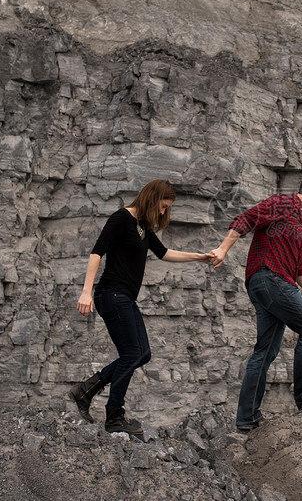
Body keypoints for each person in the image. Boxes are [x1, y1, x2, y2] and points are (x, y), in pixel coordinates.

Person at [69, 180, 214, 435]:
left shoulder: (143, 227)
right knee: (131, 354)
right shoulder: (121, 218)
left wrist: (200, 257)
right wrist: (85, 292)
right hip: (111, 295)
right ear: (152, 198)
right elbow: (96, 253)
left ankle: (86, 390)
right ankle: (114, 416)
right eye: (162, 206)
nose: (162, 213)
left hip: (125, 298)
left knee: (142, 354)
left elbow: (164, 253)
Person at [210, 171, 302, 431]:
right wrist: (223, 249)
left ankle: (247, 418)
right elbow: (246, 219)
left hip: (272, 283)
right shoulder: (283, 203)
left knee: (265, 351)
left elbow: (298, 264)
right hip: (269, 277)